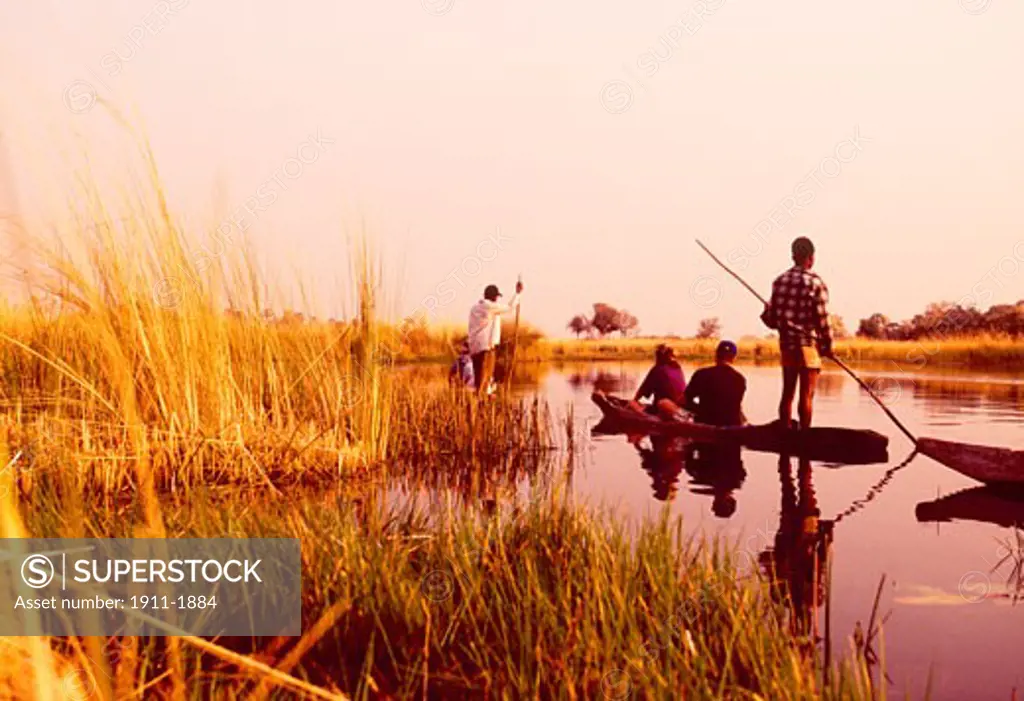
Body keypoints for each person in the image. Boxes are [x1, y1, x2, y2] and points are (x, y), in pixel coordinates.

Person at [760, 237, 833, 429]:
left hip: (787, 346)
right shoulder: (815, 282)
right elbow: (823, 320)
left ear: (793, 256)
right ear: (811, 258)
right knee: (807, 395)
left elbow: (771, 320)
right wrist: (827, 346)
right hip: (808, 347)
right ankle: (804, 437)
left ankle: (785, 438)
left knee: (787, 394)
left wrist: (767, 310)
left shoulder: (779, 282)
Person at [467, 280, 522, 394]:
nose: (497, 299)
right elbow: (509, 308)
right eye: (496, 297)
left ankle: (480, 398)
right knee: (485, 377)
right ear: (493, 297)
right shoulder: (489, 307)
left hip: (474, 347)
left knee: (479, 377)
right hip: (486, 347)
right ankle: (482, 400)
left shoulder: (475, 307)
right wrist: (517, 293)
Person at [683, 340, 747, 426]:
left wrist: (698, 409)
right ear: (734, 358)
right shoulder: (740, 379)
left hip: (707, 423)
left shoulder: (702, 374)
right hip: (732, 425)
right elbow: (734, 404)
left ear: (716, 355)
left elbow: (684, 400)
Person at [630, 344, 686, 420]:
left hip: (664, 409)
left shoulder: (657, 369)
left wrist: (632, 403)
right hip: (678, 408)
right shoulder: (677, 368)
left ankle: (645, 417)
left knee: (632, 404)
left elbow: (641, 392)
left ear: (658, 357)